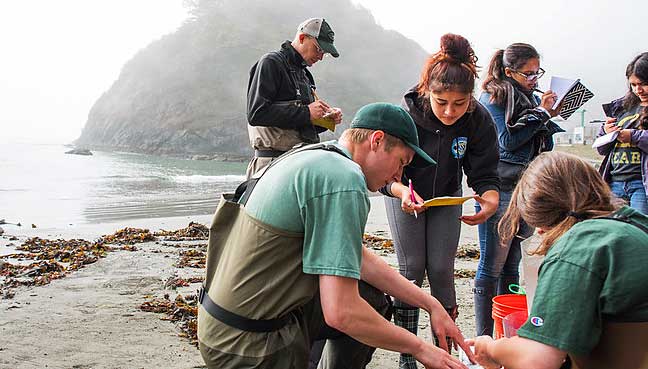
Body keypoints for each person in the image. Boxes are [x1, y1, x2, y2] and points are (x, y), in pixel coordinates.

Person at [197, 102, 474, 369]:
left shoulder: (314, 156)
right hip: (250, 346)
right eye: (401, 162)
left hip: (220, 326)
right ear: (376, 140)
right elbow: (342, 311)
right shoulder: (343, 179)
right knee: (356, 304)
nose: (397, 176)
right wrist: (420, 348)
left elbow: (355, 257)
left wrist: (430, 303)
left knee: (371, 297)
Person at [378, 34, 500, 368]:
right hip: (405, 193)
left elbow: (485, 173)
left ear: (470, 100)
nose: (449, 111)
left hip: (446, 198)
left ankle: (444, 354)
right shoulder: (406, 118)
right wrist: (402, 191)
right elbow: (384, 175)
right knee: (411, 268)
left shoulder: (478, 120)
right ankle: (408, 356)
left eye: (459, 104)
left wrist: (489, 200)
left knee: (443, 270)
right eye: (441, 101)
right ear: (426, 92)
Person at [469, 151, 648, 369]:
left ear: (540, 223)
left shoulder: (580, 246)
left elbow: (537, 360)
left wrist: (490, 349)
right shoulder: (634, 223)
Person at [474, 43, 564, 337]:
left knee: (512, 266)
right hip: (499, 189)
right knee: (491, 267)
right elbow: (507, 142)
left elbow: (538, 144)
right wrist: (542, 114)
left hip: (526, 189)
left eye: (538, 73)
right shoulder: (493, 97)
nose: (535, 79)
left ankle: (508, 335)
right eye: (529, 74)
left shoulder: (528, 98)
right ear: (509, 71)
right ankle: (484, 336)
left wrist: (547, 116)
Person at [245, 17, 343, 178]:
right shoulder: (271, 63)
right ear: (302, 38)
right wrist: (307, 112)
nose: (320, 56)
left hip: (301, 163)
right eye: (319, 49)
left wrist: (326, 119)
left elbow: (302, 124)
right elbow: (256, 113)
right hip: (271, 165)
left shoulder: (305, 75)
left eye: (324, 53)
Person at [596, 52, 648, 215]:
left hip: (641, 185)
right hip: (615, 182)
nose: (638, 90)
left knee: (640, 231)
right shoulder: (621, 108)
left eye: (643, 83)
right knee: (613, 230)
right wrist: (605, 132)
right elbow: (601, 149)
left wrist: (633, 136)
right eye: (633, 84)